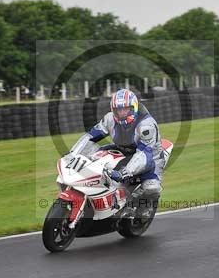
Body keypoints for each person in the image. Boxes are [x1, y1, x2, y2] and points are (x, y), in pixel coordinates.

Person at [68, 89, 164, 219]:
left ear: (133, 107)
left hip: (150, 157)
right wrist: (73, 153)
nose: (122, 113)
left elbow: (144, 154)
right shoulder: (109, 119)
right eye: (118, 110)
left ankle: (140, 207)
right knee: (94, 161)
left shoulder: (146, 125)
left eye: (125, 109)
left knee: (151, 187)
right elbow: (91, 136)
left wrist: (124, 172)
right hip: (122, 149)